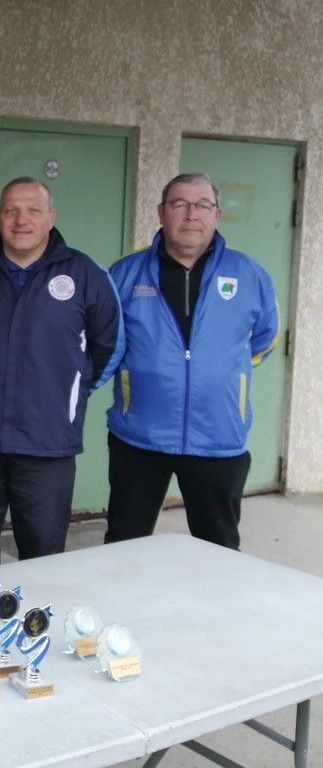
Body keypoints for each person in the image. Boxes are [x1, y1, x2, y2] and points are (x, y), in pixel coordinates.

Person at [0, 177, 124, 569]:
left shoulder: (86, 275)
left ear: (51, 217)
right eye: (12, 210)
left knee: (43, 553)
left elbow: (109, 346)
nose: (21, 220)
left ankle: (36, 612)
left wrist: (69, 391)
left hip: (47, 441)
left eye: (33, 210)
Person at [105, 173, 279, 549]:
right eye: (179, 204)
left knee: (218, 547)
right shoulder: (125, 272)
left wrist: (225, 373)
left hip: (217, 434)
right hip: (140, 435)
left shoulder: (249, 274)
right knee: (123, 544)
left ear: (217, 215)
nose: (191, 214)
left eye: (202, 205)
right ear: (161, 212)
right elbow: (107, 342)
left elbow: (266, 338)